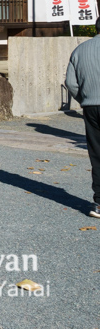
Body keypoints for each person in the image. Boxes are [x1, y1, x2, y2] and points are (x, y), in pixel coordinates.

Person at [65, 34, 100, 219]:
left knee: (97, 153)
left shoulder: (80, 50)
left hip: (91, 106)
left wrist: (84, 100)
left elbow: (70, 83)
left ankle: (99, 203)